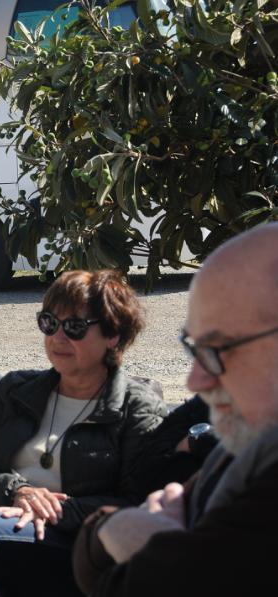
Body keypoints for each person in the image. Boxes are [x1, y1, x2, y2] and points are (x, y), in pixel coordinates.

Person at [0, 269, 166, 597]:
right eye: (49, 323)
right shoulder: (16, 390)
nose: (58, 337)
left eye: (75, 327)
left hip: (76, 552)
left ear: (114, 335)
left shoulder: (136, 407)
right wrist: (17, 493)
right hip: (4, 542)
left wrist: (54, 511)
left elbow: (138, 504)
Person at [72, 222, 278, 596]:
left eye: (219, 350)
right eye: (194, 349)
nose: (196, 381)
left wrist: (113, 533)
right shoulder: (243, 451)